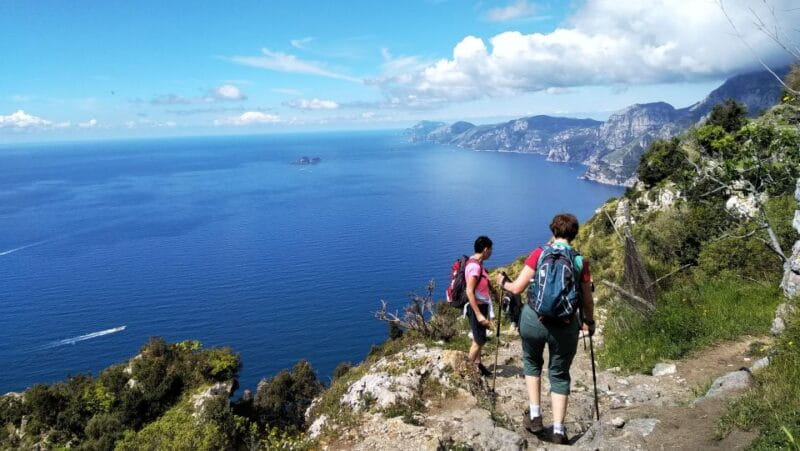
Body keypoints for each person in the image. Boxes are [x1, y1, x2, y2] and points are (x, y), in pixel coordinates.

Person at [496, 214, 595, 445]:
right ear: (574, 234)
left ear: (553, 231)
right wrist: (589, 322)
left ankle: (535, 416)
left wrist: (503, 283)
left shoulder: (539, 253)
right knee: (559, 374)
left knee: (532, 363)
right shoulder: (580, 261)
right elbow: (587, 300)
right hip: (564, 325)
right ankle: (559, 430)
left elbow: (517, 288)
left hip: (533, 321)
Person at [465, 235, 494, 377]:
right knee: (479, 340)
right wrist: (478, 314)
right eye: (491, 249)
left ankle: (478, 365)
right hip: (476, 307)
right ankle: (466, 372)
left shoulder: (476, 263)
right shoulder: (475, 267)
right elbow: (469, 291)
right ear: (485, 249)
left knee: (480, 337)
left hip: (481, 305)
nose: (492, 252)